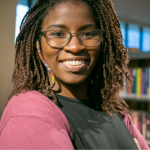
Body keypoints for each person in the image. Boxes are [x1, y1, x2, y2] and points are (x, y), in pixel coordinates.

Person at [0, 0, 149, 149]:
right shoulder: (29, 111)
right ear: (37, 44)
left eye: (88, 33)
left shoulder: (114, 110)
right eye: (58, 34)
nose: (75, 46)